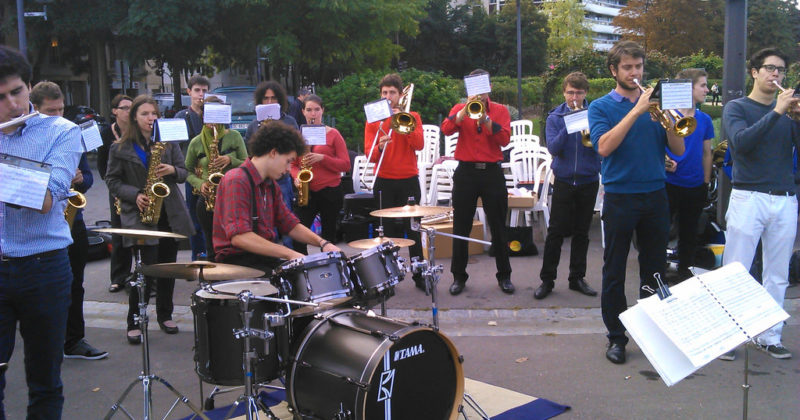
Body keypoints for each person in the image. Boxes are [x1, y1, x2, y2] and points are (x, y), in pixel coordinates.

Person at [588, 41, 685, 364]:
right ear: (614, 71)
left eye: (639, 66)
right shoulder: (601, 107)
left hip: (656, 194)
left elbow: (679, 151)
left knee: (655, 269)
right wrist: (636, 111)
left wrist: (673, 122)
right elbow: (604, 147)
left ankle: (652, 330)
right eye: (628, 67)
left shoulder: (655, 107)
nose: (635, 73)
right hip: (620, 196)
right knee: (614, 269)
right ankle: (616, 337)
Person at [0, 45, 82, 419]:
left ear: (28, 87)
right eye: (0, 98)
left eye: (16, 92)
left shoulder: (62, 131)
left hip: (43, 267)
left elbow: (46, 197)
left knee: (45, 381)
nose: (12, 105)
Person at [719, 47, 800, 360]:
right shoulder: (737, 107)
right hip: (748, 197)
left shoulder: (790, 113)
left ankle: (769, 336)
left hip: (784, 199)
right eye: (768, 68)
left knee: (777, 273)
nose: (775, 74)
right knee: (735, 270)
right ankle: (728, 337)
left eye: (780, 69)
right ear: (754, 72)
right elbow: (741, 145)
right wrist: (777, 112)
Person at [105, 95, 195, 344]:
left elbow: (185, 173)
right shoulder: (120, 147)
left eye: (154, 113)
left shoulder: (168, 143)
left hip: (169, 214)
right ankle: (134, 319)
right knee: (143, 271)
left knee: (167, 269)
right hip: (141, 216)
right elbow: (112, 181)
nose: (151, 118)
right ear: (135, 116)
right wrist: (135, 195)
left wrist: (172, 170)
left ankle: (165, 315)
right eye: (145, 114)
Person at [30, 81, 108, 360]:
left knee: (75, 282)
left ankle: (74, 339)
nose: (57, 116)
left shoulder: (69, 135)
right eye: (51, 111)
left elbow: (88, 177)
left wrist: (79, 179)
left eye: (61, 109)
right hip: (41, 225)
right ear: (35, 110)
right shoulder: (30, 140)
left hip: (72, 219)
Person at [213, 120, 342, 275]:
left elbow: (289, 223)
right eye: (288, 161)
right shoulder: (237, 180)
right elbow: (240, 237)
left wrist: (323, 243)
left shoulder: (271, 185)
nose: (289, 169)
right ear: (273, 152)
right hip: (238, 264)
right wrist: (289, 253)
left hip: (262, 261)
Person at [441, 69, 514, 296]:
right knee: (461, 225)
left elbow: (504, 139)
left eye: (482, 87)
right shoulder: (458, 108)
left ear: (488, 86)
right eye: (473, 88)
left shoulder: (500, 111)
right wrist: (464, 111)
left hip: (492, 172)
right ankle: (458, 277)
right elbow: (446, 129)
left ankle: (505, 276)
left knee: (499, 226)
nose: (479, 93)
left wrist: (486, 119)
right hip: (466, 173)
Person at [534, 72, 601, 300]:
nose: (575, 97)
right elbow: (553, 147)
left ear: (585, 93)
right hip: (563, 180)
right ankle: (547, 280)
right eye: (571, 92)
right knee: (555, 232)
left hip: (588, 180)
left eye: (579, 92)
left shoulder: (596, 114)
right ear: (564, 92)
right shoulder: (555, 116)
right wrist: (570, 125)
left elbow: (602, 145)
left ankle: (577, 278)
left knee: (582, 232)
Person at [364, 73, 425, 286]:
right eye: (384, 92)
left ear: (400, 95)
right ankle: (390, 275)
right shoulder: (374, 120)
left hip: (408, 179)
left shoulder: (412, 116)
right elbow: (369, 154)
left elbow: (419, 145)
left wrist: (403, 125)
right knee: (387, 231)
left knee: (414, 230)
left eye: (392, 92)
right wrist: (380, 145)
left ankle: (419, 274)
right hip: (384, 180)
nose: (388, 96)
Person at [664, 68, 714, 283]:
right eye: (702, 85)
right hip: (668, 183)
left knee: (690, 231)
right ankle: (657, 268)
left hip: (694, 185)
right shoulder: (667, 117)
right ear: (688, 88)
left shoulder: (704, 119)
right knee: (661, 229)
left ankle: (684, 269)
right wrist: (662, 162)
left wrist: (705, 182)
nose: (707, 89)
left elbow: (707, 153)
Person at [184, 96, 248, 262]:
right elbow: (187, 170)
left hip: (233, 196)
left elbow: (248, 163)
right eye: (208, 116)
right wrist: (200, 183)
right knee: (211, 245)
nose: (212, 121)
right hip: (207, 198)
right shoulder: (196, 142)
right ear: (203, 117)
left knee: (236, 241)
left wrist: (230, 160)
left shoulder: (234, 137)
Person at [291, 94, 350, 254]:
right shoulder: (298, 137)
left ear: (322, 111)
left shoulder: (333, 134)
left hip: (330, 190)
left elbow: (345, 164)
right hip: (307, 191)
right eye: (309, 110)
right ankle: (304, 269)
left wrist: (322, 158)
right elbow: (292, 164)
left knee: (329, 236)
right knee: (298, 235)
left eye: (317, 110)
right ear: (303, 112)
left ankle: (329, 271)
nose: (313, 114)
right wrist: (296, 176)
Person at [244, 81, 299, 247]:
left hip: (282, 177)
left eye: (273, 98)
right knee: (265, 221)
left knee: (286, 216)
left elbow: (295, 148)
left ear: (280, 100)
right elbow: (251, 151)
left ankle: (290, 257)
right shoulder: (254, 125)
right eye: (265, 98)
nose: (269, 102)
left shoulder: (289, 121)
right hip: (261, 180)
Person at [98, 94, 134, 293]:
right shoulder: (106, 133)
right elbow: (103, 166)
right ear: (115, 111)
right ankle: (119, 277)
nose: (129, 111)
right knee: (119, 233)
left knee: (140, 234)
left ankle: (142, 275)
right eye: (125, 108)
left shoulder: (137, 130)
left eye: (131, 107)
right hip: (117, 189)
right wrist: (115, 189)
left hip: (138, 188)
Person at [176, 75, 211, 261]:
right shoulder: (182, 116)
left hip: (212, 174)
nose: (201, 94)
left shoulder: (214, 113)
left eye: (205, 91)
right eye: (197, 90)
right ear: (189, 92)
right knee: (195, 218)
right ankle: (198, 257)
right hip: (193, 175)